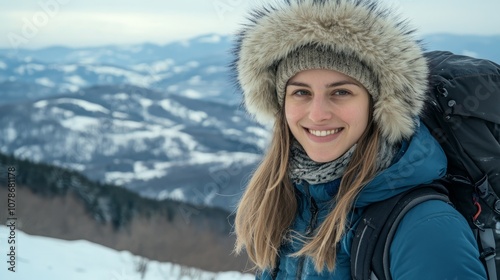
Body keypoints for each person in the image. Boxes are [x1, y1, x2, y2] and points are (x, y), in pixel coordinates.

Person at [231, 0, 488, 279]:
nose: (317, 115)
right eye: (301, 92)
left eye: (341, 92)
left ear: (376, 105)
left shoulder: (425, 229)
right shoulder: (293, 203)